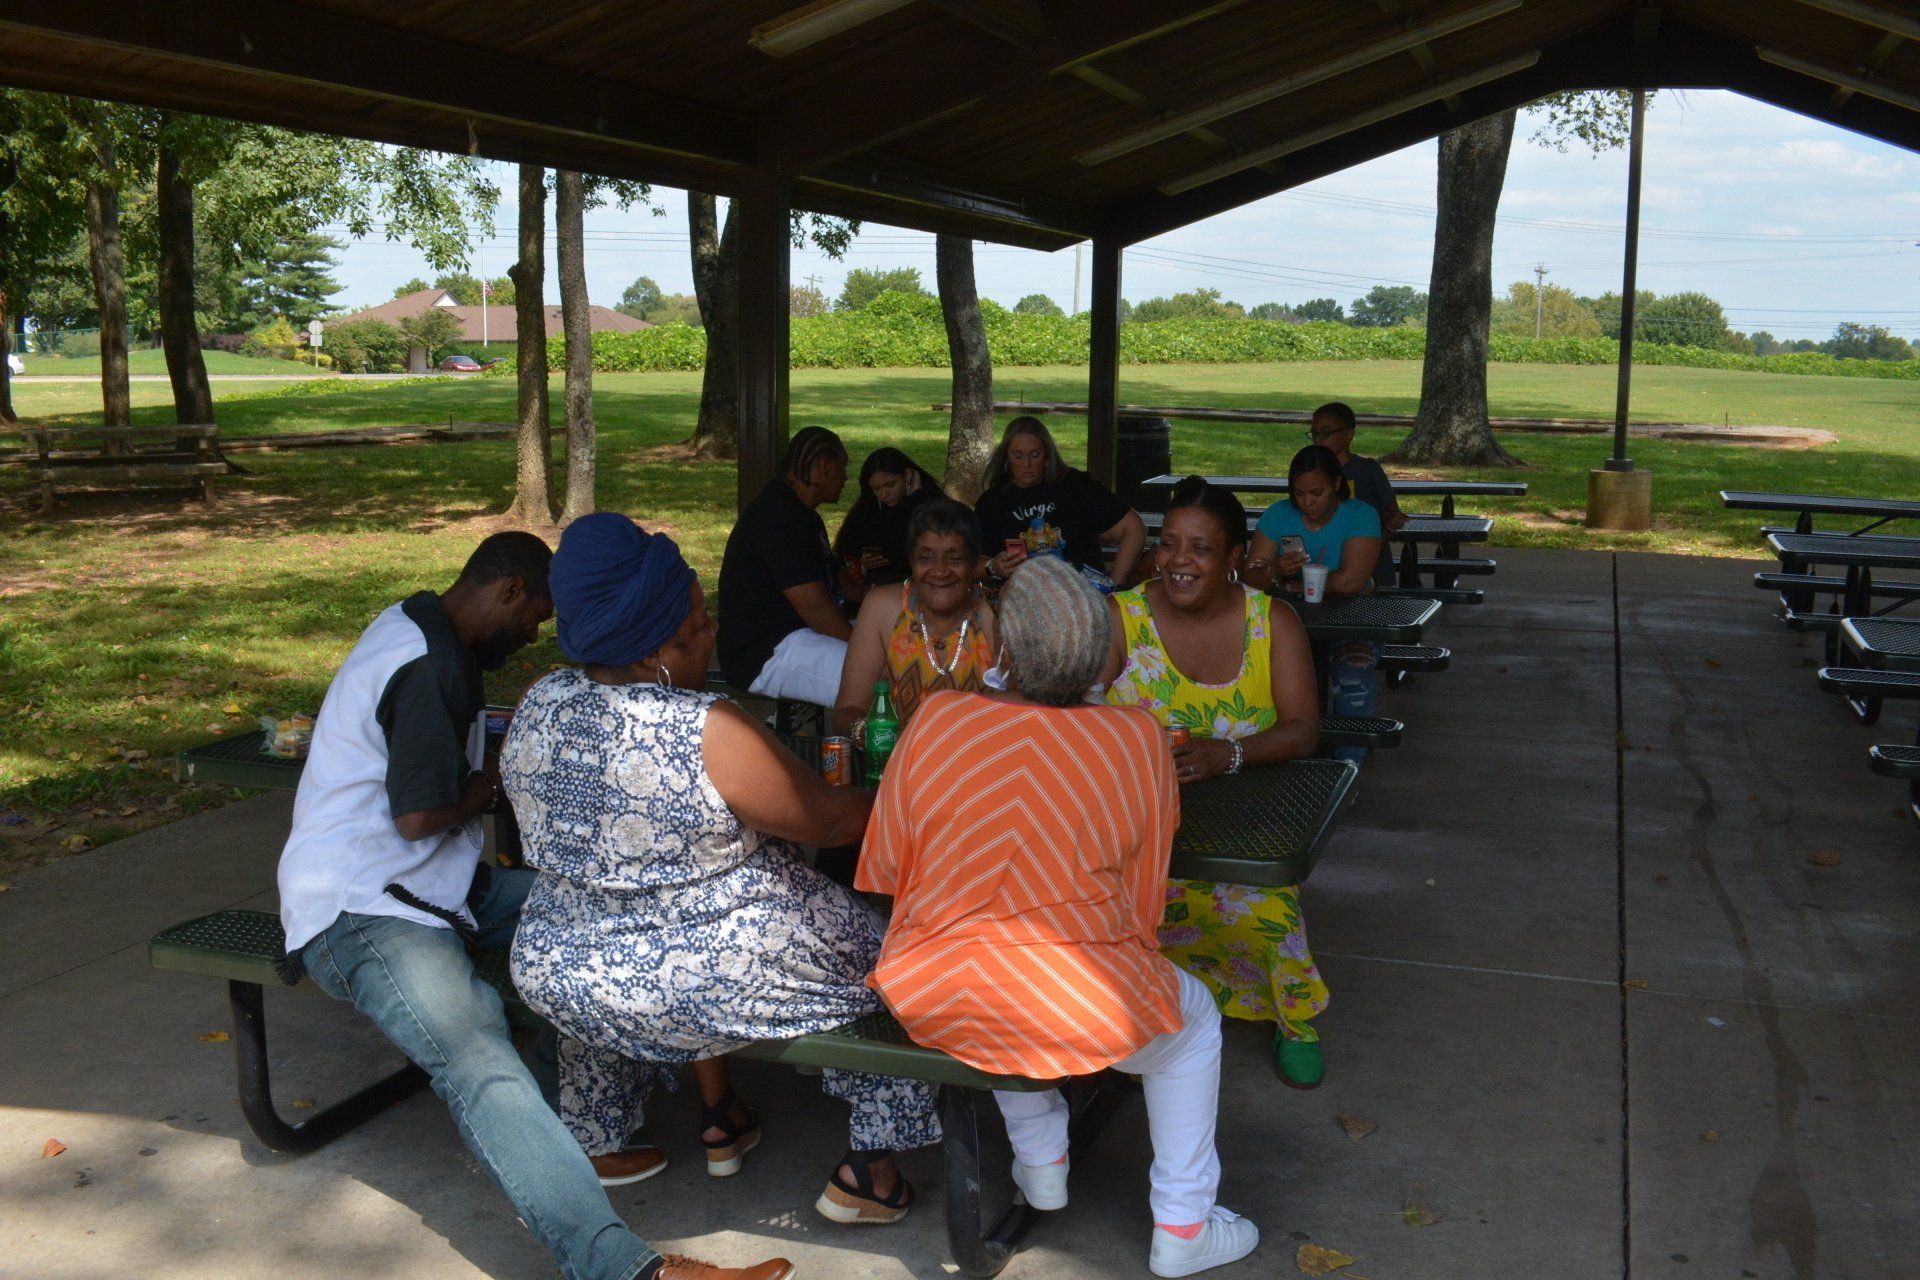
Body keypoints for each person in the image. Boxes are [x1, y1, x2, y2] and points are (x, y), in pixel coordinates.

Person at [277, 533, 788, 1280]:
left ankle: (563, 1137)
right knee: (477, 1053)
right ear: (511, 590)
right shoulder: (428, 662)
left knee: (597, 919)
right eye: (534, 616)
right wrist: (497, 777)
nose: (534, 634)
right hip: (363, 907)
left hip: (436, 888)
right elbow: (419, 817)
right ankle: (622, 1269)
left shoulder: (418, 623)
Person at [503, 513, 941, 1231]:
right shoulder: (706, 726)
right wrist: (909, 791)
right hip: (691, 976)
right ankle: (871, 1168)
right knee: (893, 964)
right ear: (654, 652)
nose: (712, 635)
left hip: (558, 965)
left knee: (606, 938)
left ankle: (606, 1135)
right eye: (697, 627)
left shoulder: (540, 699)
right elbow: (828, 823)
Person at [860, 556, 1261, 1279]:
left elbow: (887, 868)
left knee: (995, 971)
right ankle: (1183, 1225)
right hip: (1076, 997)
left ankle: (1042, 1157)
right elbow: (1144, 903)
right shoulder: (1136, 737)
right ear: (1100, 656)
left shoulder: (937, 717)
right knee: (1192, 1022)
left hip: (928, 987)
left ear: (1005, 650)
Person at [1100, 478, 1332, 1090]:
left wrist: (1228, 754)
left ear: (1234, 558)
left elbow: (1303, 728)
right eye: (1168, 543)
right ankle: (1138, 1011)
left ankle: (1292, 1017)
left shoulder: (1272, 621)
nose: (1179, 561)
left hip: (1247, 827)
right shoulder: (1122, 617)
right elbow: (1081, 714)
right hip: (1139, 828)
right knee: (1116, 914)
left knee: (1263, 909)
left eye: (1200, 548)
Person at [1243, 445, 1383, 752]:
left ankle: (1348, 759)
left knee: (1352, 673)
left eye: (1317, 493)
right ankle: (1281, 751)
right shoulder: (1278, 515)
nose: (1308, 502)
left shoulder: (1361, 515)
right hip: (1288, 624)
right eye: (1299, 493)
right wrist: (1276, 569)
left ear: (1336, 483)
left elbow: (1351, 582)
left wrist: (1289, 583)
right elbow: (1249, 578)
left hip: (1352, 621)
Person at [832, 497, 997, 737]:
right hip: (896, 756)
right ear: (911, 561)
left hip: (975, 756)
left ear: (974, 564)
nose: (940, 571)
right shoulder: (883, 608)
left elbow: (1020, 709)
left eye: (954, 559)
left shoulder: (994, 615)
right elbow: (848, 709)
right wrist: (875, 738)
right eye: (925, 558)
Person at [717, 426, 853, 708]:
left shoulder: (800, 514)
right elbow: (815, 609)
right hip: (765, 652)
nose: (846, 478)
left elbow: (840, 587)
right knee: (871, 677)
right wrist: (863, 649)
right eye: (843, 467)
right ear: (824, 467)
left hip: (793, 635)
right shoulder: (779, 517)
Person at [973, 415, 1148, 591]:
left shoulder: (1075, 486)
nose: (1027, 464)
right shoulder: (992, 502)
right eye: (1018, 456)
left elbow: (1134, 529)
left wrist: (1113, 588)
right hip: (1021, 598)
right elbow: (970, 563)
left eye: (1035, 455)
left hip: (1081, 595)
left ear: (1047, 453)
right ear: (1006, 456)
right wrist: (993, 567)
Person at [1308, 401, 1406, 587]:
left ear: (1348, 434)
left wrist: (1390, 521)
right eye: (1314, 434)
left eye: (1325, 433)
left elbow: (1389, 509)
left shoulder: (1367, 470)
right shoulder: (1312, 472)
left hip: (1372, 565)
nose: (1318, 440)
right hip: (1326, 562)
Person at [832, 447, 944, 590]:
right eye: (876, 489)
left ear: (907, 476)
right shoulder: (868, 508)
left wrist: (915, 499)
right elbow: (846, 548)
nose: (884, 494)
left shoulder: (930, 505)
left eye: (890, 485)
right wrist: (862, 561)